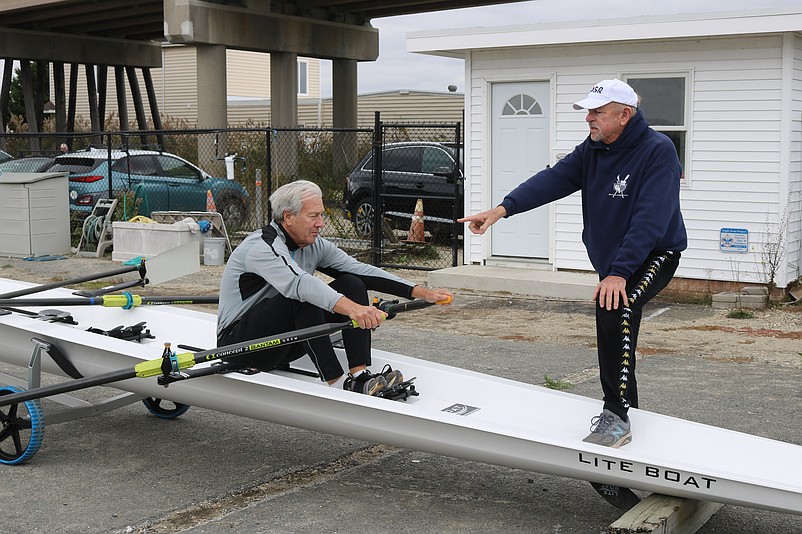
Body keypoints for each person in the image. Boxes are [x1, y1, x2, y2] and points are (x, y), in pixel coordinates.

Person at [458, 79, 687, 448]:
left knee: (616, 307)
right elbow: (554, 179)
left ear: (624, 115)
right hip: (615, 260)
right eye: (588, 112)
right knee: (618, 324)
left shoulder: (657, 151)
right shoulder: (593, 149)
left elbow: (651, 218)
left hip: (654, 253)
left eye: (597, 112)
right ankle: (628, 409)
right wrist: (502, 209)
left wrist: (619, 273)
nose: (589, 120)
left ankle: (616, 416)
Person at [217, 179, 452, 396]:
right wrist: (353, 310)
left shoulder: (313, 244)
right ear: (288, 216)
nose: (321, 223)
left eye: (321, 215)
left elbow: (360, 270)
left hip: (284, 341)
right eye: (313, 216)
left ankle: (360, 375)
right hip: (240, 346)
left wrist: (421, 292)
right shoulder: (261, 246)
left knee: (352, 283)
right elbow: (299, 284)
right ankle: (337, 384)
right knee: (303, 296)